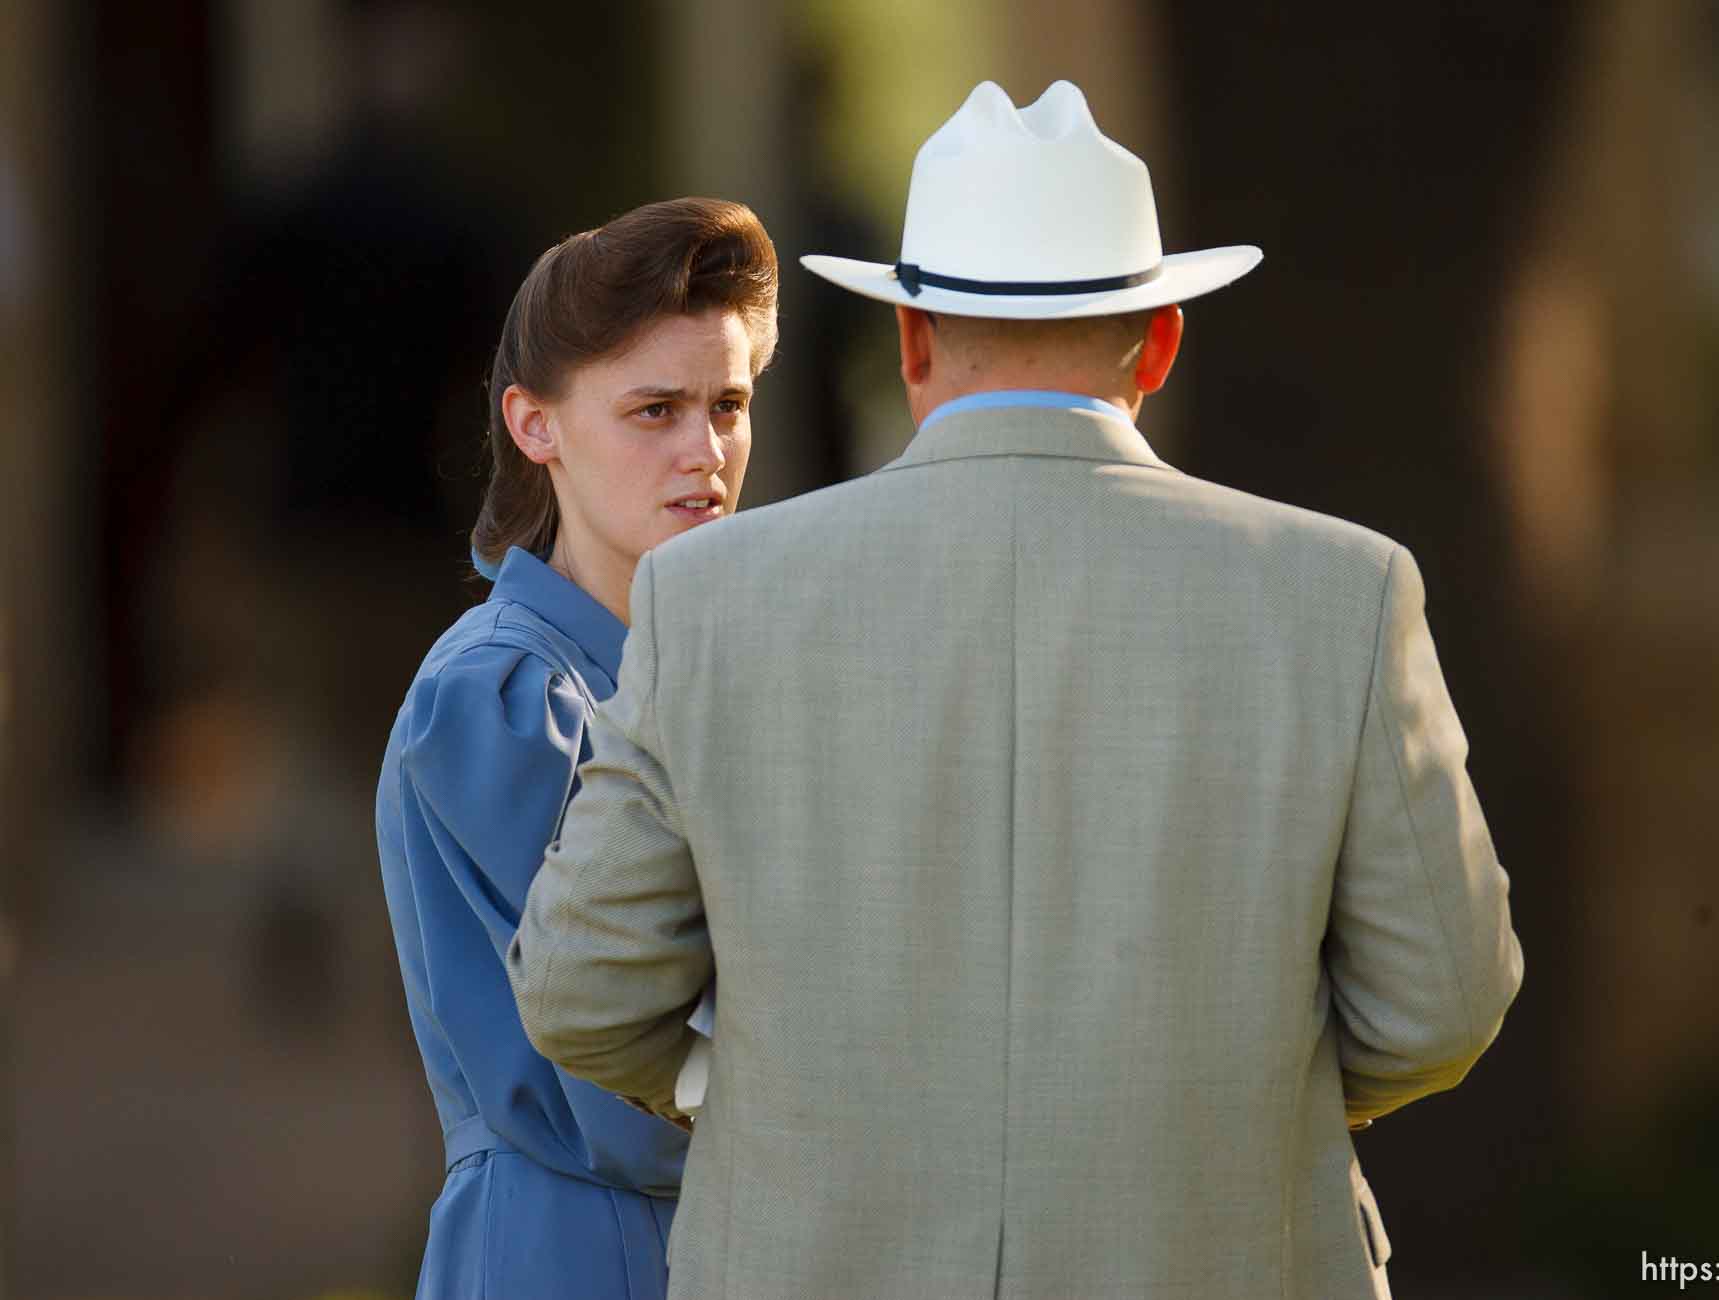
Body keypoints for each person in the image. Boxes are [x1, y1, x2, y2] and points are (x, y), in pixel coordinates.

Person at [509, 82, 1522, 1299]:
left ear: (912, 341)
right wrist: (1239, 1103)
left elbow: (579, 991)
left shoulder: (711, 598)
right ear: (1159, 339)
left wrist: (777, 1102)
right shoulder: (1344, 594)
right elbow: (1444, 1004)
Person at [374, 196, 777, 1299]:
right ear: (534, 423)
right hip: (569, 1245)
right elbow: (627, 1086)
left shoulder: (699, 671)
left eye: (728, 404)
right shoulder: (498, 691)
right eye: (655, 410)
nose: (706, 450)